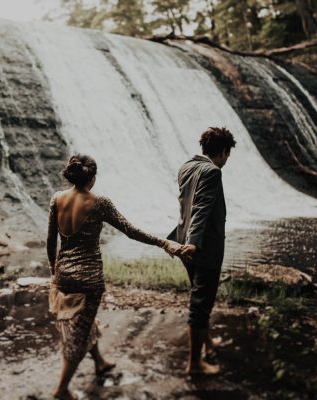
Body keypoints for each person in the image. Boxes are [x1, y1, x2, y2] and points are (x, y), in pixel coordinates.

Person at [47, 154, 181, 400]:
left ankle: (99, 361)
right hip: (89, 280)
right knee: (79, 331)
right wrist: (164, 242)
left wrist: (54, 272)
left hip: (64, 274)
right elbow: (130, 230)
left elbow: (50, 241)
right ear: (93, 179)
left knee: (85, 319)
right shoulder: (100, 203)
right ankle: (62, 389)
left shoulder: (57, 198)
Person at [168, 127, 236, 375]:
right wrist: (196, 242)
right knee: (200, 304)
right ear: (224, 152)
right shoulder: (212, 171)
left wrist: (187, 241)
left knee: (199, 297)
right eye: (228, 154)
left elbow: (185, 205)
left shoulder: (187, 166)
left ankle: (208, 344)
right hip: (203, 248)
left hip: (183, 241)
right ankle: (195, 364)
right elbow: (201, 208)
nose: (227, 160)